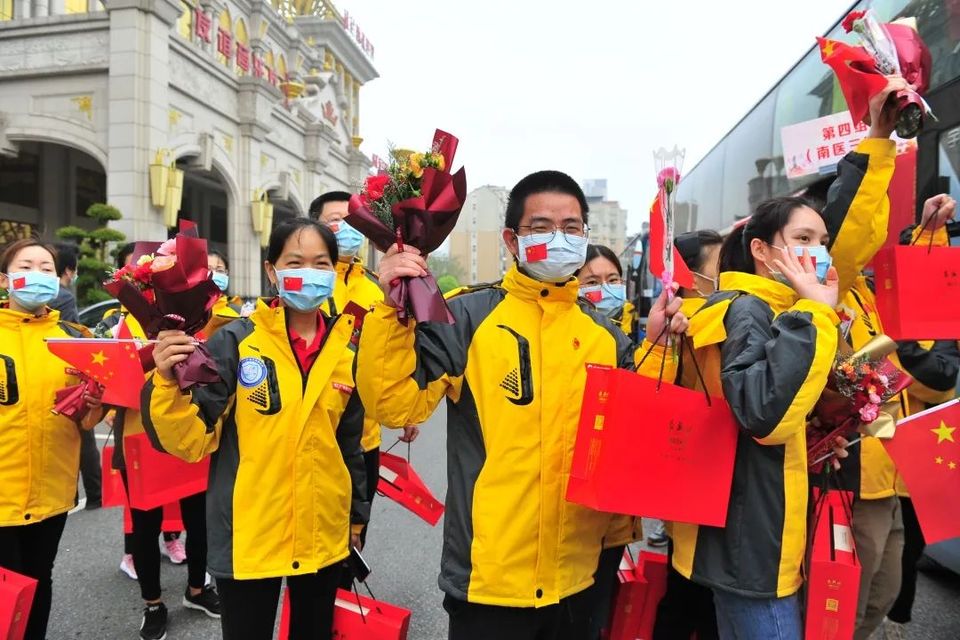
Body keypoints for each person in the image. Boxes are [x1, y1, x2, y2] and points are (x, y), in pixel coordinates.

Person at [356, 170, 687, 640]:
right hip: (490, 579)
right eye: (541, 227)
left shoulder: (605, 336)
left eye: (572, 228)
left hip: (577, 575)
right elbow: (395, 405)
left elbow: (641, 434)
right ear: (513, 239)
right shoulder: (467, 316)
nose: (559, 238)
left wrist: (661, 348)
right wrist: (391, 310)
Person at [145, 218, 370, 640]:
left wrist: (357, 516)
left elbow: (349, 445)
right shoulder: (233, 343)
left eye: (321, 263)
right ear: (272, 270)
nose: (310, 272)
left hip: (323, 530)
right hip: (249, 532)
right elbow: (192, 440)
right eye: (295, 261)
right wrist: (165, 383)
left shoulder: (347, 350)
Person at [98, 243, 219, 640]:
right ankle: (153, 603)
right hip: (140, 438)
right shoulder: (126, 326)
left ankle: (197, 589)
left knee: (200, 522)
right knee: (144, 527)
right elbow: (114, 381)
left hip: (190, 432)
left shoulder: (203, 320)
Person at [310, 190, 419, 585]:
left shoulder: (377, 289)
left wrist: (405, 407)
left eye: (350, 221)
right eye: (334, 220)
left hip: (365, 437)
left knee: (356, 525)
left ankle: (339, 600)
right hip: (317, 432)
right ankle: (314, 603)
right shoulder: (304, 288)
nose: (344, 230)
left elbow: (393, 353)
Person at [0, 238, 103, 640]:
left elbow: (90, 418)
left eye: (48, 269)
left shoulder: (75, 340)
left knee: (39, 577)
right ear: (5, 279)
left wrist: (97, 401)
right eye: (27, 266)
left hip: (51, 490)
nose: (39, 275)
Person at [875, 198, 959, 640]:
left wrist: (903, 349)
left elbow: (941, 379)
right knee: (872, 551)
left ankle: (898, 621)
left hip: (919, 457)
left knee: (910, 547)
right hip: (871, 456)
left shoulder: (940, 322)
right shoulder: (871, 308)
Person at [651, 229, 723, 640]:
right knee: (693, 598)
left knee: (688, 594)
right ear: (692, 277)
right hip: (698, 482)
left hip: (699, 489)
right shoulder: (696, 326)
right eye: (720, 267)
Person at [50, 241, 104, 511]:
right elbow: (73, 337)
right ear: (69, 270)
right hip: (65, 373)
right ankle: (93, 494)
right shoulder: (65, 296)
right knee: (84, 435)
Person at [203, 250, 243, 336]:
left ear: (226, 273)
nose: (214, 274)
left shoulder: (238, 311)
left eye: (219, 270)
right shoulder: (189, 309)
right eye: (208, 269)